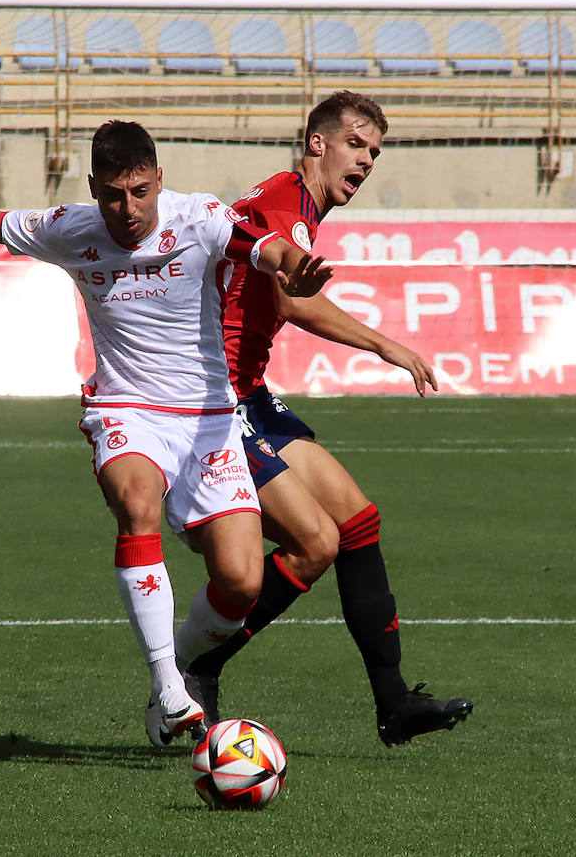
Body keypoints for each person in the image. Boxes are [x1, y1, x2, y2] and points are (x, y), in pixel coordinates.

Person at [0, 119, 332, 747]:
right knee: (136, 504)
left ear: (159, 180)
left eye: (138, 192)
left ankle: (172, 675)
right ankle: (170, 683)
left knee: (241, 582)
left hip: (210, 419)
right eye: (111, 194)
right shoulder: (72, 228)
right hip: (126, 407)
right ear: (93, 188)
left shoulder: (201, 217)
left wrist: (300, 267)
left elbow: (267, 247)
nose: (126, 209)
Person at [176, 91, 474, 747]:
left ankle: (395, 705)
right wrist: (387, 345)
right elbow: (290, 301)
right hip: (217, 400)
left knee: (356, 520)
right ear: (318, 144)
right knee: (316, 544)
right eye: (356, 145)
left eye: (374, 152)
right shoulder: (287, 203)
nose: (366, 161)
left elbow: (277, 296)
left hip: (250, 392)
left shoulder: (301, 204)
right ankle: (197, 665)